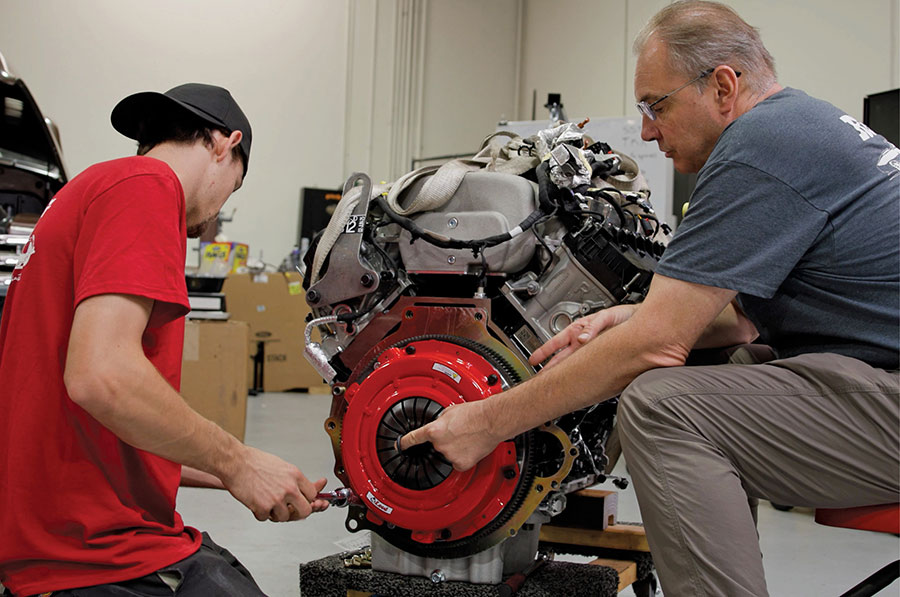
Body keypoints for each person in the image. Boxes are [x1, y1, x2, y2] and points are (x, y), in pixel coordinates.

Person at [400, 2, 899, 595]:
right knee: (712, 365)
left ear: (722, 86)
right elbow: (739, 324)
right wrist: (630, 321)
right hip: (867, 373)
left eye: (655, 106)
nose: (645, 131)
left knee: (661, 403)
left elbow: (657, 346)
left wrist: (485, 422)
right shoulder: (803, 126)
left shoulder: (761, 145)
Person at [0, 83, 328, 597]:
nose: (218, 213)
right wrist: (237, 463)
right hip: (92, 552)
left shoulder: (89, 190)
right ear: (225, 144)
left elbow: (90, 418)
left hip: (50, 534)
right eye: (233, 187)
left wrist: (239, 473)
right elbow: (101, 377)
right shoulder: (147, 185)